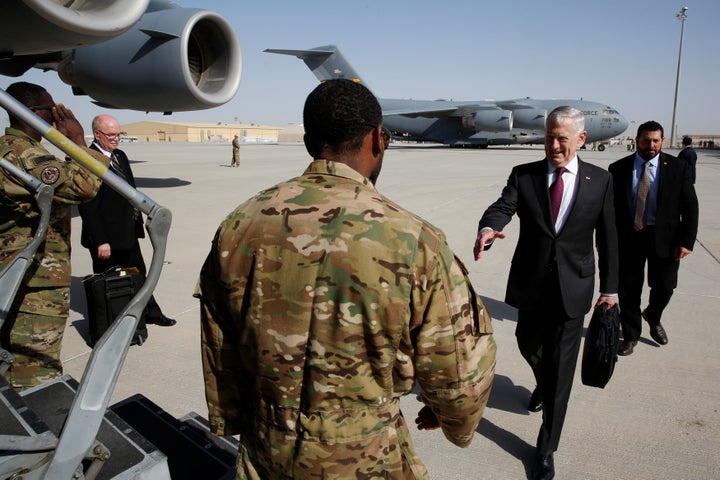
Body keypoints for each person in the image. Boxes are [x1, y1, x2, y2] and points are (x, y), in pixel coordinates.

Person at [195, 79, 496, 479]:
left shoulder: (240, 225)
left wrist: (234, 418)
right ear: (377, 138)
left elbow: (220, 344)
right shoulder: (412, 239)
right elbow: (459, 366)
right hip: (366, 457)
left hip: (267, 449)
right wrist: (454, 419)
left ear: (308, 142)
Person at [473, 106, 618, 480]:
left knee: (562, 374)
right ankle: (543, 378)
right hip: (532, 284)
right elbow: (503, 206)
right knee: (528, 342)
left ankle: (546, 447)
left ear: (581, 139)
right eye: (549, 137)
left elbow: (609, 238)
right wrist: (488, 228)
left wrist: (611, 290)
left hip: (575, 287)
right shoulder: (525, 176)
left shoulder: (599, 181)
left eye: (562, 139)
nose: (553, 145)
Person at [0, 82, 109, 390]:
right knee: (34, 369)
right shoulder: (27, 155)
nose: (57, 114)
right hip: (35, 281)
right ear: (33, 113)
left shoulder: (7, 147)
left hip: (15, 271)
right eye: (51, 108)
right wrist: (75, 138)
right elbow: (82, 187)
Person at [609, 121, 698, 356]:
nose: (652, 145)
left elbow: (690, 207)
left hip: (666, 239)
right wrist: (605, 239)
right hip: (630, 238)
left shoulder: (677, 168)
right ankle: (630, 335)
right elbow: (609, 209)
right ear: (637, 140)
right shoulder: (618, 168)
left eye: (656, 140)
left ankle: (653, 315)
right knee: (629, 290)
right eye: (647, 140)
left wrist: (687, 241)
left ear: (662, 141)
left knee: (665, 287)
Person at [78, 114, 176, 327]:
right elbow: (88, 205)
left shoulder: (120, 155)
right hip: (105, 238)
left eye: (118, 134)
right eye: (111, 135)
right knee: (109, 281)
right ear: (97, 134)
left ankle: (151, 312)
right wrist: (100, 240)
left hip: (127, 231)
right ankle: (112, 320)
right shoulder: (89, 158)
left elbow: (130, 191)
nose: (116, 139)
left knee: (139, 275)